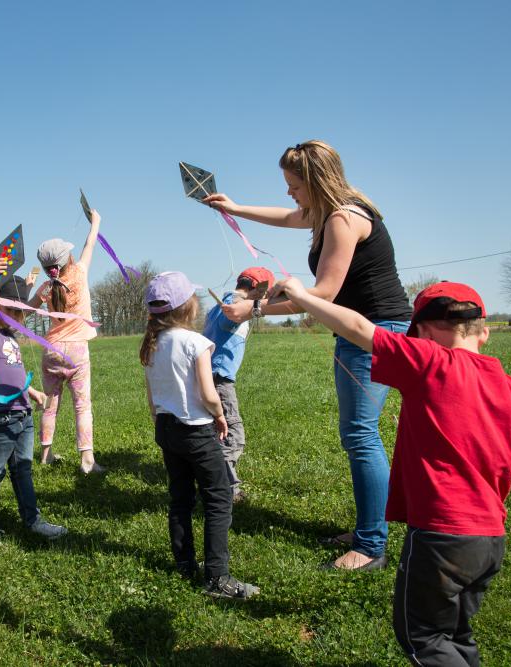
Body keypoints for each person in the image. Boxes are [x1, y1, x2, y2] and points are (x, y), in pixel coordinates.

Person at [273, 276, 511, 664]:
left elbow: (358, 328)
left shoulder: (429, 360)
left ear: (422, 332)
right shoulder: (510, 388)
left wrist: (304, 297)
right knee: (456, 632)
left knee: (422, 636)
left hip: (442, 538)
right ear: (484, 333)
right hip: (491, 541)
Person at [206, 140, 412, 570]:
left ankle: (371, 544)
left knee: (360, 434)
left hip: (375, 331)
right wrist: (236, 208)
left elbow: (321, 295)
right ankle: (368, 527)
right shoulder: (327, 211)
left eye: (293, 184)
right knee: (358, 433)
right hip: (357, 327)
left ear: (315, 181)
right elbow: (286, 217)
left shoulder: (343, 218)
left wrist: (254, 308)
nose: (288, 193)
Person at [140, 271, 259, 599]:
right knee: (218, 498)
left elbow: (151, 399)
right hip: (196, 430)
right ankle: (218, 579)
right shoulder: (196, 342)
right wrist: (220, 415)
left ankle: (184, 564)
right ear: (186, 307)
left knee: (180, 498)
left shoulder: (151, 343)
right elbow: (209, 394)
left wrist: (161, 424)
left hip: (165, 429)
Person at [0, 258, 68, 547]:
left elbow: (12, 376)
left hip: (22, 414)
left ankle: (32, 520)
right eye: (11, 310)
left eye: (21, 312)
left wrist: (34, 394)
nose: (17, 316)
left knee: (23, 470)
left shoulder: (10, 338)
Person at [31, 210, 104, 473]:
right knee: (82, 405)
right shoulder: (80, 273)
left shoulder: (45, 288)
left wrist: (30, 285)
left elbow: (26, 309)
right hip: (76, 350)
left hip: (51, 350)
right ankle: (87, 459)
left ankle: (45, 454)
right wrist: (95, 222)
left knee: (50, 404)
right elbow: (90, 244)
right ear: (67, 258)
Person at [202, 266, 274, 503]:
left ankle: (210, 479)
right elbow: (229, 319)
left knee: (217, 433)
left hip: (210, 378)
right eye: (266, 294)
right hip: (219, 380)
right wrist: (251, 304)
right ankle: (227, 489)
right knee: (232, 434)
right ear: (258, 289)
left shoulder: (221, 304)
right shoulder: (233, 305)